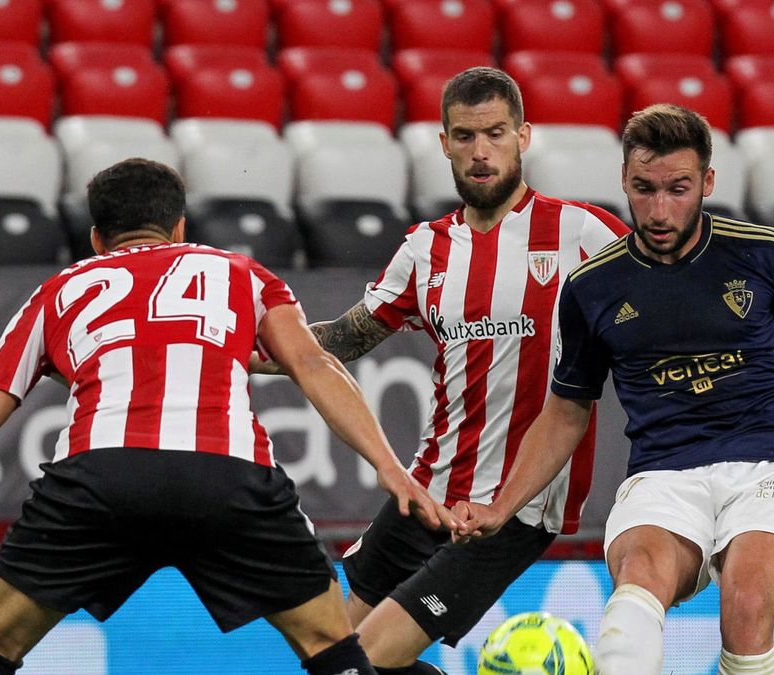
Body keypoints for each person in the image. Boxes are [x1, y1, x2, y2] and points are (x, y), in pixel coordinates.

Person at [0, 158, 458, 675]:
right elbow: (313, 365)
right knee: (332, 642)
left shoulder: (61, 289)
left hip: (99, 480)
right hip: (229, 478)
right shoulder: (240, 273)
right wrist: (389, 467)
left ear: (98, 236)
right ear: (181, 227)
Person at [451, 104, 774, 675]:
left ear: (707, 182)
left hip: (770, 460)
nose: (658, 209)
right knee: (632, 598)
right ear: (624, 179)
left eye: (678, 189)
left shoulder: (764, 253)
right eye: (644, 189)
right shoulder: (591, 288)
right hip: (665, 470)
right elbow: (566, 412)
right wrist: (502, 507)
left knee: (745, 606)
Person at [254, 67, 628, 674]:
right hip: (427, 493)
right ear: (443, 142)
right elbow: (341, 339)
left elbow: (660, 297)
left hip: (513, 507)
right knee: (330, 657)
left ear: (524, 136)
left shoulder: (580, 232)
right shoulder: (425, 248)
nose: (480, 153)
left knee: (365, 660)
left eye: (496, 134)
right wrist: (232, 349)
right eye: (464, 137)